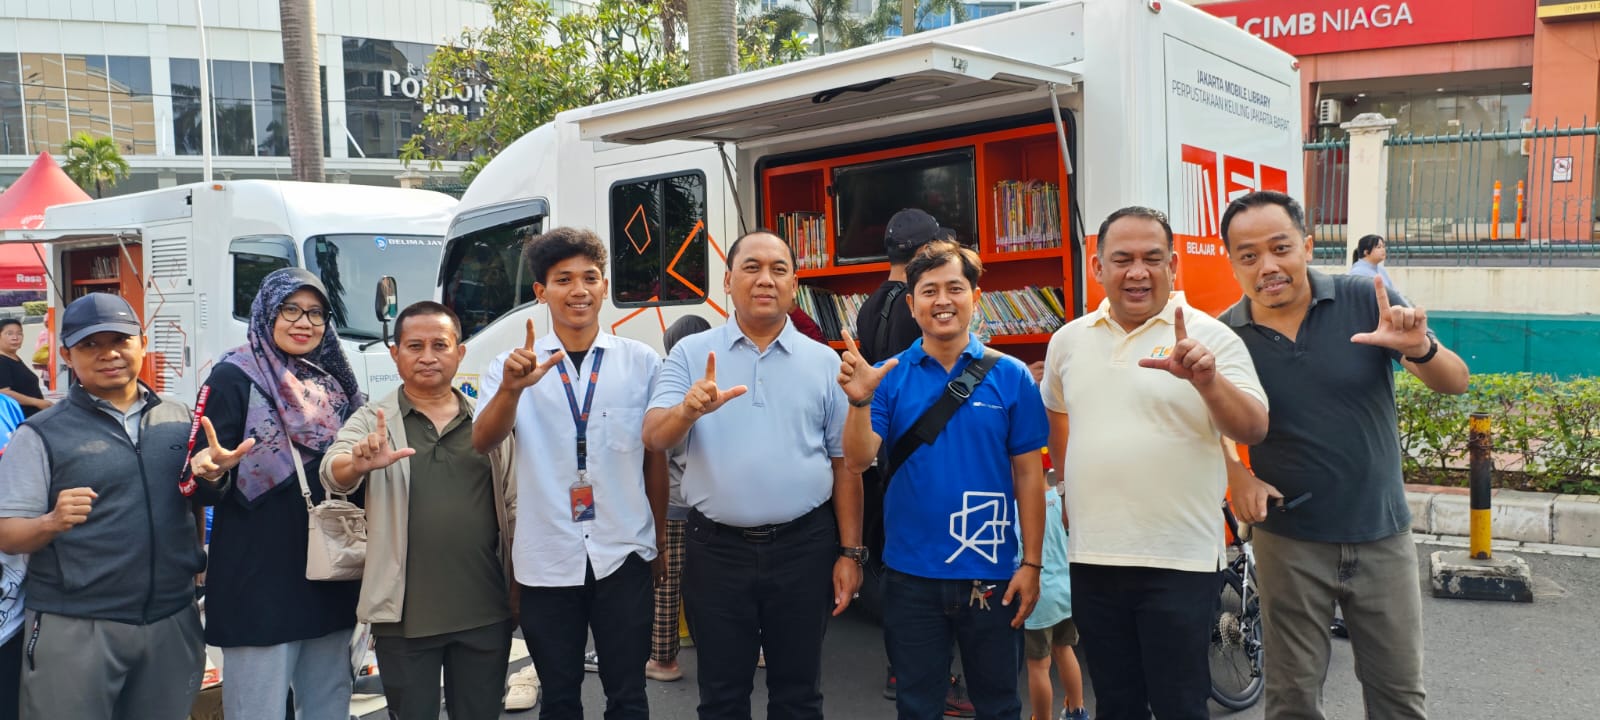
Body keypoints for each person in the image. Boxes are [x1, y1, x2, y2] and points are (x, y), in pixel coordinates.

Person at [1217, 191, 1468, 720]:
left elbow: (1455, 381)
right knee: (1292, 699)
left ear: (1306, 245)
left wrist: (1417, 347)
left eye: (1280, 247)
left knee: (1399, 695)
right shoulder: (1225, 334)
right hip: (1288, 540)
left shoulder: (1364, 296)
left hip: (1380, 532)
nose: (1268, 266)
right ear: (1233, 262)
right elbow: (1204, 417)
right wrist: (1234, 471)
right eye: (1248, 255)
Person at [1041, 207, 1269, 720]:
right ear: (1098, 267)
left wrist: (1207, 382)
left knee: (1179, 705)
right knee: (1115, 703)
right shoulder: (1069, 340)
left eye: (1152, 258)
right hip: (1094, 557)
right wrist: (1063, 488)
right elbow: (1055, 410)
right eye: (1122, 259)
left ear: (1174, 265)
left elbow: (1253, 426)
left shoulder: (1211, 337)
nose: (1137, 272)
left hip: (1179, 561)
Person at [643, 230, 861, 720]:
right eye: (752, 267)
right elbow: (654, 437)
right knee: (721, 696)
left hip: (804, 548)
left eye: (779, 269)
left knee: (799, 694)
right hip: (716, 550)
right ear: (727, 280)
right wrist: (687, 410)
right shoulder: (691, 353)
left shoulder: (825, 362)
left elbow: (844, 464)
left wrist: (850, 552)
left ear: (793, 283)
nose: (766, 279)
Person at [838, 240, 1046, 719]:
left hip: (993, 573)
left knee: (998, 705)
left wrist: (1032, 564)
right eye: (929, 291)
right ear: (911, 305)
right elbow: (857, 460)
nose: (943, 300)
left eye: (955, 287)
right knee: (917, 705)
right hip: (912, 575)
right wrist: (858, 402)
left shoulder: (1011, 376)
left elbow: (1029, 476)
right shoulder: (888, 377)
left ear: (976, 295)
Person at [472, 227, 667, 720]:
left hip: (624, 551)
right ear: (541, 292)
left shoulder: (641, 363)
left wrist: (658, 542)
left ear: (604, 287)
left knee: (629, 696)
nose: (578, 290)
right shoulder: (510, 367)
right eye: (563, 280)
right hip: (546, 556)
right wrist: (513, 390)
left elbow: (654, 460)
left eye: (590, 278)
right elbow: (483, 441)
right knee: (559, 698)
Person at [0, 292, 206, 719]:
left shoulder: (178, 418)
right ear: (66, 355)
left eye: (120, 340)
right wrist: (52, 522)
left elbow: (189, 506)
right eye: (90, 344)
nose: (108, 353)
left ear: (142, 344)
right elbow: (6, 533)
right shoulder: (40, 433)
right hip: (75, 624)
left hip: (171, 618)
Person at [318, 301, 517, 720]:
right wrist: (358, 462)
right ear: (396, 354)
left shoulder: (488, 421)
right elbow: (333, 471)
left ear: (460, 353)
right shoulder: (375, 420)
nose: (428, 356)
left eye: (440, 345)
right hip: (403, 618)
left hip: (484, 611)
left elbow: (514, 505)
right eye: (415, 345)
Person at [187, 268, 365, 720]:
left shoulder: (335, 384)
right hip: (257, 577)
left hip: (329, 573)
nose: (304, 322)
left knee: (328, 704)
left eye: (316, 313)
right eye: (291, 309)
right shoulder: (231, 377)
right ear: (267, 311)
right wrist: (211, 473)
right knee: (257, 709)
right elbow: (199, 479)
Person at [647, 313, 712, 683]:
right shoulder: (721, 387)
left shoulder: (671, 394)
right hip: (713, 505)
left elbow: (661, 453)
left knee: (667, 584)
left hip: (673, 506)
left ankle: (663, 660)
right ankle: (757, 649)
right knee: (720, 582)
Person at [1021, 475, 1087, 720]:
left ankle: (1042, 717)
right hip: (1066, 592)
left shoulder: (1022, 508)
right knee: (1065, 650)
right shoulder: (1061, 501)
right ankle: (1077, 710)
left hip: (1038, 599)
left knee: (1039, 664)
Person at [0, 318, 48, 417]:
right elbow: (4, 392)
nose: (15, 338)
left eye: (19, 334)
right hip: (18, 419)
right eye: (9, 334)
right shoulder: (2, 361)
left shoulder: (13, 357)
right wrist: (37, 402)